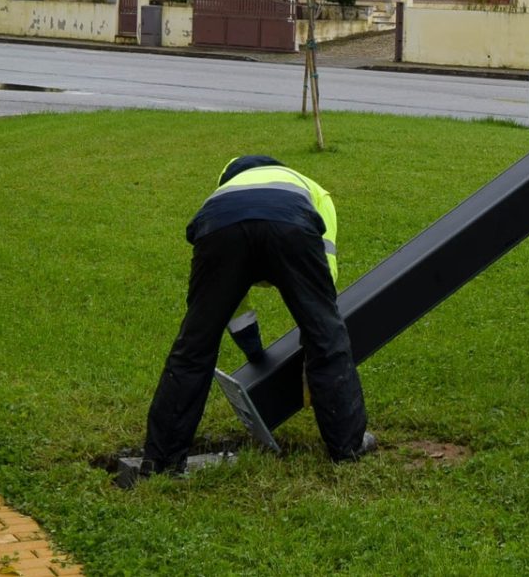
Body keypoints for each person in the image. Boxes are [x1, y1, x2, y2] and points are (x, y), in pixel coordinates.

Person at [140, 155, 376, 475]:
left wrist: (254, 352)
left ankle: (161, 459)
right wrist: (317, 330)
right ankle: (348, 446)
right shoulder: (313, 191)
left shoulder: (224, 194)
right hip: (289, 223)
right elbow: (325, 277)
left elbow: (230, 307)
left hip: (218, 227)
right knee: (326, 334)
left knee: (194, 346)